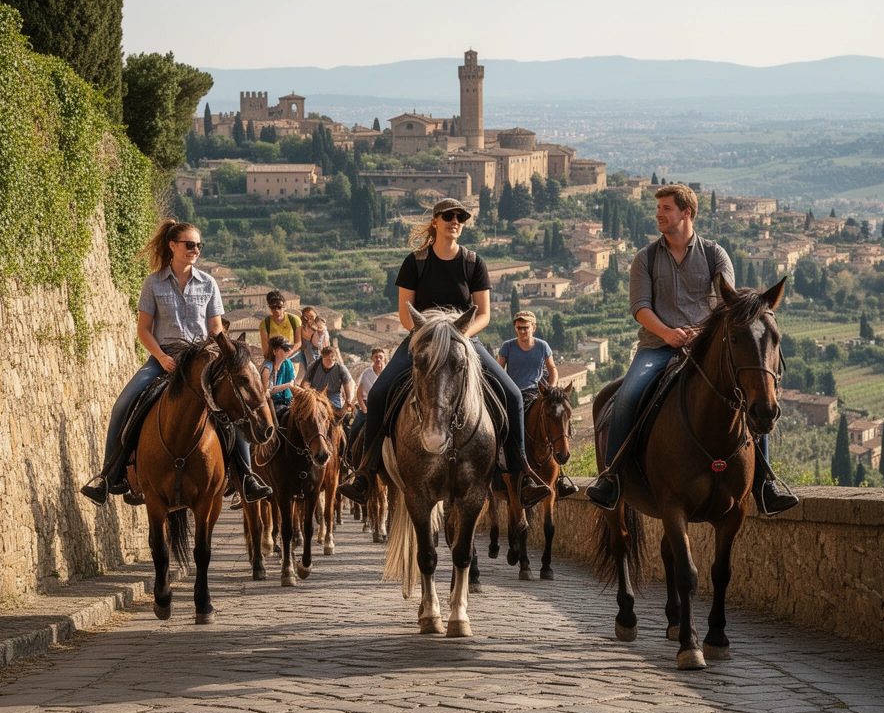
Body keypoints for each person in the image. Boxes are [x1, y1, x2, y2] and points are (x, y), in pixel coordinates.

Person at [586, 184, 797, 514]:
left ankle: (766, 483)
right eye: (658, 209)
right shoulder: (646, 258)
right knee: (627, 396)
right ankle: (611, 479)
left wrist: (699, 331)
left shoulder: (715, 254)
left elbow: (728, 302)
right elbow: (639, 307)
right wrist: (668, 333)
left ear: (687, 212)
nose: (659, 214)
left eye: (665, 209)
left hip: (705, 349)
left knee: (751, 396)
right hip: (657, 346)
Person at [338, 198, 552, 506]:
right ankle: (365, 475)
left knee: (513, 395)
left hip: (464, 340)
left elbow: (484, 314)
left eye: (460, 218)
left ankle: (522, 475)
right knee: (380, 392)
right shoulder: (416, 262)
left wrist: (458, 334)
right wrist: (432, 333)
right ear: (435, 221)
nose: (455, 221)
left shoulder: (473, 263)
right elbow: (404, 313)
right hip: (422, 340)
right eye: (449, 216)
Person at [81, 220, 272, 506]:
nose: (195, 250)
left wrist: (225, 354)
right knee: (123, 403)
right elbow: (144, 329)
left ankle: (245, 476)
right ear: (173, 246)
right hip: (164, 358)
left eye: (198, 245)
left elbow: (216, 330)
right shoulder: (153, 283)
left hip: (202, 362)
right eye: (190, 244)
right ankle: (110, 476)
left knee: (232, 404)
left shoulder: (208, 283)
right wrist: (160, 357)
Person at [497, 310, 579, 498]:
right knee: (506, 428)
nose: (522, 331)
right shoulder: (507, 347)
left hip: (538, 394)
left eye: (526, 327)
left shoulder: (542, 346)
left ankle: (560, 478)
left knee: (555, 425)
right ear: (515, 328)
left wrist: (550, 390)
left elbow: (553, 370)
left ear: (533, 328)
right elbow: (499, 370)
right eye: (519, 328)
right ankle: (506, 467)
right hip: (514, 394)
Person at [350, 347, 387, 441]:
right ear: (372, 359)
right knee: (354, 428)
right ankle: (348, 453)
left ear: (384, 359)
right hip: (367, 404)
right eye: (376, 357)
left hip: (383, 405)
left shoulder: (388, 373)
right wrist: (364, 409)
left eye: (380, 357)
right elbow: (359, 393)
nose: (378, 359)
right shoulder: (367, 373)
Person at [304, 345, 354, 412]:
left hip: (333, 397)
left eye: (333, 359)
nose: (330, 362)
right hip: (316, 396)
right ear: (322, 357)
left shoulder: (340, 369)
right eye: (328, 359)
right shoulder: (314, 366)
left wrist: (347, 401)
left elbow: (348, 385)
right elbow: (305, 384)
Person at [259, 291, 302, 362]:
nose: (277, 310)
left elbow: (298, 342)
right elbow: (265, 349)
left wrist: (289, 353)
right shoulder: (265, 324)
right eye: (273, 307)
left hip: (292, 355)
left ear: (284, 306)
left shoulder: (294, 320)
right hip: (274, 356)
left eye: (279, 307)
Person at [262, 335, 298, 418]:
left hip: (288, 401)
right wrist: (288, 385)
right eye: (285, 349)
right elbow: (267, 391)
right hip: (272, 404)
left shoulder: (288, 363)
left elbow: (292, 382)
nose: (288, 351)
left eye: (288, 348)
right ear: (274, 352)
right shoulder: (267, 369)